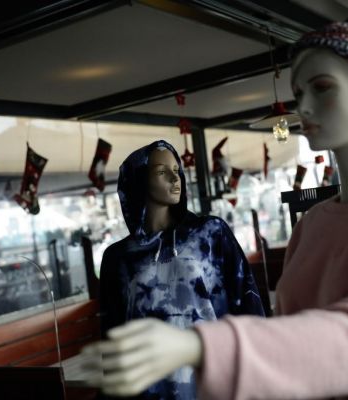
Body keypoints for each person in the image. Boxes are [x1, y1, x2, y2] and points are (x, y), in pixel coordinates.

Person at [83, 2, 348, 399]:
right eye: (298, 93)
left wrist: (198, 345)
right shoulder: (313, 224)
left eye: (322, 87)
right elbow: (290, 346)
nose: (303, 108)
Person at [97, 140, 264, 399]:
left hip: (213, 379)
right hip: (149, 388)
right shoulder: (118, 257)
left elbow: (247, 301)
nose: (175, 178)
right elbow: (113, 334)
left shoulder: (210, 233)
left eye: (177, 170)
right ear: (140, 180)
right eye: (162, 172)